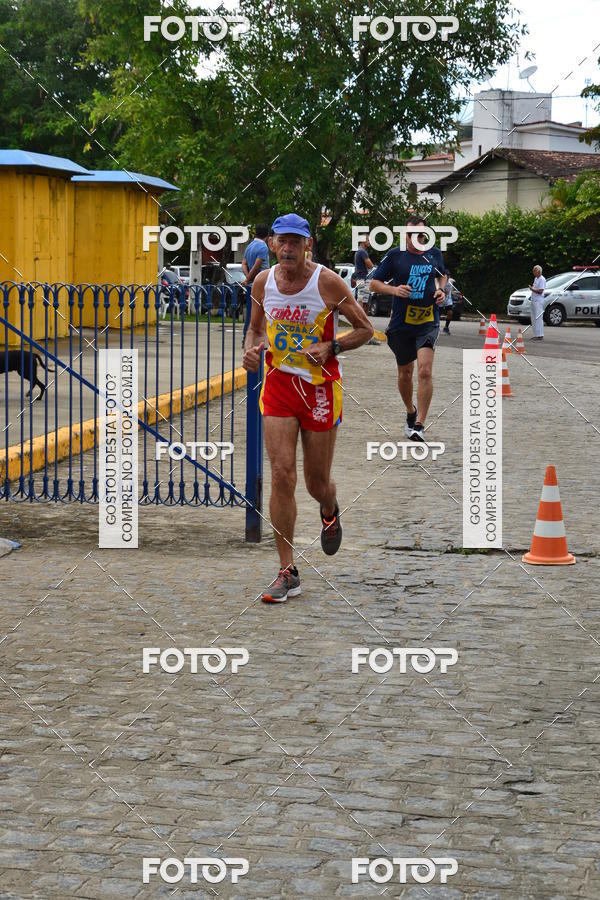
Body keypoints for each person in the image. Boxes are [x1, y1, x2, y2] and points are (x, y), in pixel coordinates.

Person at [243, 213, 373, 603]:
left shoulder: (328, 282)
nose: (287, 249)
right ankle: (287, 570)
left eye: (295, 243)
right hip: (280, 385)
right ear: (271, 244)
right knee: (282, 474)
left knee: (316, 482)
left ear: (307, 245)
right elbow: (255, 328)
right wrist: (251, 349)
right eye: (282, 241)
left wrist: (330, 346)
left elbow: (366, 329)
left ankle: (329, 507)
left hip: (319, 388)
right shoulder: (264, 282)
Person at [370, 214, 447, 442]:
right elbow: (374, 283)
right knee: (405, 373)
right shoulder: (395, 255)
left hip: (427, 322)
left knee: (424, 371)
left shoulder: (434, 254)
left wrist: (442, 291)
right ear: (405, 235)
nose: (417, 239)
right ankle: (410, 411)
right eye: (411, 234)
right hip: (401, 325)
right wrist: (394, 290)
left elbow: (443, 276)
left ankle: (420, 424)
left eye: (421, 234)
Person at [242, 224, 270, 343]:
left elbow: (244, 263)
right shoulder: (263, 247)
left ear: (255, 232)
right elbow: (257, 266)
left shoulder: (250, 246)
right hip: (261, 284)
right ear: (267, 234)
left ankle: (246, 338)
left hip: (250, 284)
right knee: (261, 312)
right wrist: (248, 278)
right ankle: (256, 338)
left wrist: (247, 278)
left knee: (251, 311)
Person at [353, 237, 380, 345]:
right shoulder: (362, 252)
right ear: (363, 241)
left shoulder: (358, 251)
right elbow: (370, 265)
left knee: (363, 303)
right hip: (364, 280)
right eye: (368, 240)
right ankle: (361, 330)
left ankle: (362, 330)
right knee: (363, 305)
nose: (369, 242)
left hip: (361, 279)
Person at [529, 264, 546, 341]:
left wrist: (532, 289)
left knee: (538, 318)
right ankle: (536, 334)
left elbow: (540, 291)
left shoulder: (542, 279)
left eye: (534, 271)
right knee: (533, 318)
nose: (533, 272)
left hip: (538, 301)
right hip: (534, 300)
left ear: (538, 271)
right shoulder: (536, 278)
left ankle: (540, 335)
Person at [441, 270, 453, 335]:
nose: (448, 277)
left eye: (449, 276)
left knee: (450, 313)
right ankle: (434, 326)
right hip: (440, 300)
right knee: (437, 315)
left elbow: (450, 291)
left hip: (448, 300)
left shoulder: (450, 283)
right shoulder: (440, 281)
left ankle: (446, 327)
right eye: (446, 276)